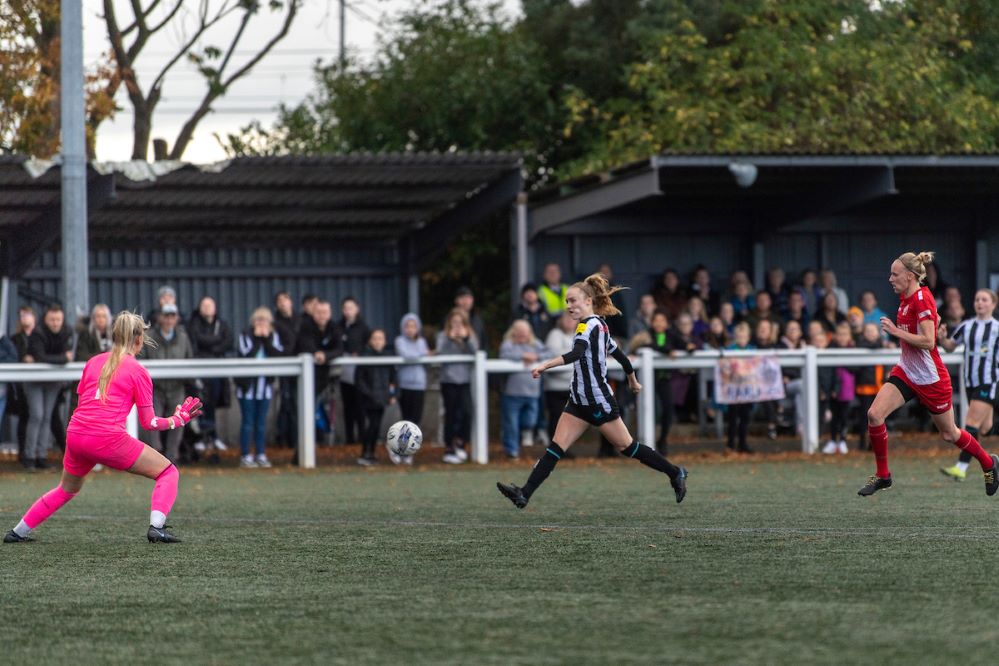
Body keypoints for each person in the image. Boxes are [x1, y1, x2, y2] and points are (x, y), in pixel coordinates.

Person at [3, 312, 202, 544]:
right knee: (168, 472)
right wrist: (178, 419)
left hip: (76, 434)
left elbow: (81, 404)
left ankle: (17, 532)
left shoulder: (92, 362)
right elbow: (149, 423)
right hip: (106, 438)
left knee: (66, 489)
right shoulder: (138, 371)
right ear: (138, 340)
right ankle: (157, 528)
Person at [497, 273, 687, 509]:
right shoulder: (601, 325)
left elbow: (576, 354)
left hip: (598, 401)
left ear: (588, 300)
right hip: (578, 401)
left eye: (573, 300)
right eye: (566, 302)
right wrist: (632, 380)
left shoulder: (588, 326)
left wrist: (545, 364)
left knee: (627, 447)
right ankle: (524, 493)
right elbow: (622, 357)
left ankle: (675, 472)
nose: (568, 306)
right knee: (555, 448)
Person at [859, 251, 999, 497]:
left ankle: (989, 464)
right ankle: (883, 475)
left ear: (911, 276)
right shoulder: (906, 296)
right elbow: (931, 321)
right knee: (874, 415)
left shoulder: (921, 298)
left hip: (931, 379)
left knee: (950, 433)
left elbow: (927, 341)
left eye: (895, 274)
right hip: (906, 372)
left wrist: (896, 332)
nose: (890, 279)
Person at [939, 288, 999, 481]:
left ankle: (961, 467)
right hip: (970, 382)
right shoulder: (967, 326)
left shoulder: (997, 328)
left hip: (988, 380)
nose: (980, 303)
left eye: (984, 300)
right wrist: (941, 338)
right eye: (977, 299)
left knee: (970, 423)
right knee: (985, 429)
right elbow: (950, 347)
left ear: (993, 304)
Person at [139, 303, 193, 464]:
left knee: (178, 422)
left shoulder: (183, 337)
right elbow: (141, 360)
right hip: (155, 388)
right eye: (166, 316)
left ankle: (171, 458)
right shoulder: (149, 336)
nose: (169, 320)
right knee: (151, 421)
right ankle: (154, 457)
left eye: (172, 316)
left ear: (176, 318)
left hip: (177, 387)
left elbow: (189, 360)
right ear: (160, 317)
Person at [24, 304, 72, 469]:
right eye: (52, 319)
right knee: (37, 415)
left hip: (53, 381)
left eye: (58, 319)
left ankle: (41, 456)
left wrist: (57, 359)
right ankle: (29, 456)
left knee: (46, 417)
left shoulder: (66, 331)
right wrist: (61, 358)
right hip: (34, 380)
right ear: (46, 319)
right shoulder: (38, 333)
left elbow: (66, 357)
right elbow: (40, 357)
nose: (55, 323)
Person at [235, 308, 283, 469]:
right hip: (246, 388)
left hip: (265, 387)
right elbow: (245, 355)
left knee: (261, 422)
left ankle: (261, 453)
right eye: (258, 320)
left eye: (265, 321)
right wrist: (257, 339)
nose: (261, 324)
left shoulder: (273, 336)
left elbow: (278, 355)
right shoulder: (245, 335)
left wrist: (266, 340)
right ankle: (245, 454)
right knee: (248, 422)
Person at [499, 320, 552, 459]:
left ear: (529, 332)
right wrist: (522, 356)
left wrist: (536, 357)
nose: (522, 334)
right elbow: (503, 355)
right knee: (511, 424)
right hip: (512, 394)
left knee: (530, 422)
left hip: (533, 393)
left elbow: (549, 354)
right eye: (519, 331)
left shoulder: (536, 344)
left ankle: (521, 435)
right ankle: (512, 451)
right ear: (513, 332)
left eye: (525, 331)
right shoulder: (509, 344)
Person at [187, 296, 233, 454]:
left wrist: (211, 345)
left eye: (210, 305)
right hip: (199, 369)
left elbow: (228, 342)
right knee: (200, 404)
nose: (207, 308)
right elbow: (196, 340)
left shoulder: (222, 324)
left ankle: (213, 436)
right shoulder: (194, 323)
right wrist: (215, 341)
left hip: (217, 370)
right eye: (204, 305)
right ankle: (201, 438)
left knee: (213, 404)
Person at [436, 308, 477, 464]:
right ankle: (449, 446)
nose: (457, 325)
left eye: (460, 323)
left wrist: (465, 339)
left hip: (465, 380)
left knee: (467, 412)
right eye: (454, 322)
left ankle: (461, 442)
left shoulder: (470, 335)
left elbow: (476, 352)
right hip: (448, 381)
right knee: (451, 414)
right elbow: (439, 354)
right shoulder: (442, 336)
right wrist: (449, 339)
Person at [355, 329, 396, 466]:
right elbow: (359, 379)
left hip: (382, 398)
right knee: (371, 425)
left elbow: (393, 378)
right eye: (375, 338)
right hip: (368, 399)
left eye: (380, 338)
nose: (378, 341)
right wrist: (369, 394)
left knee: (377, 426)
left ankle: (371, 452)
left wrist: (393, 394)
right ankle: (365, 452)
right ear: (370, 341)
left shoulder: (388, 358)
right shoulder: (365, 356)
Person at [393, 313, 428, 465]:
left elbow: (423, 358)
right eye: (407, 326)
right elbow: (406, 355)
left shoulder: (421, 341)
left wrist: (422, 355)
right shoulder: (399, 341)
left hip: (419, 385)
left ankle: (407, 450)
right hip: (405, 384)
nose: (410, 329)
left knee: (416, 419)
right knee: (406, 419)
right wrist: (421, 354)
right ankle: (399, 449)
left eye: (413, 326)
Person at [339, 296, 372, 445]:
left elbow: (369, 346)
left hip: (359, 371)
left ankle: (363, 436)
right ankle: (349, 437)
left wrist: (359, 352)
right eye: (345, 308)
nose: (348, 311)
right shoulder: (339, 326)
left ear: (357, 309)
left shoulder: (363, 327)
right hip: (344, 371)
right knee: (347, 406)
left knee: (360, 405)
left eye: (350, 308)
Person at [823, 322, 856, 454]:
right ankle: (832, 440)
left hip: (847, 388)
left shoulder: (853, 350)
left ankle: (842, 440)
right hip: (833, 388)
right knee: (834, 416)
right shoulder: (831, 349)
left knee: (844, 416)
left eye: (845, 334)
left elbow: (856, 368)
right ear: (835, 336)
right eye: (840, 334)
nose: (842, 337)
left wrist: (845, 363)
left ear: (849, 336)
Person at [543, 312, 575, 447]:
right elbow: (554, 356)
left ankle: (565, 448)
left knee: (572, 421)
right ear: (560, 321)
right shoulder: (554, 334)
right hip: (555, 388)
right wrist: (575, 355)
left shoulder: (580, 334)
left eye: (572, 318)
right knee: (557, 419)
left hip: (574, 387)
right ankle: (555, 449)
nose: (569, 320)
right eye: (565, 318)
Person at [272, 291, 299, 449]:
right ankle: (284, 438)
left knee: (297, 404)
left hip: (300, 369)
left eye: (285, 300)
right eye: (279, 301)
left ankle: (296, 438)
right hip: (285, 368)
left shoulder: (300, 320)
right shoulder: (275, 323)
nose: (283, 303)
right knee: (286, 403)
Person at [10, 306, 37, 466]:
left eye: (28, 315)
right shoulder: (15, 338)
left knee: (43, 416)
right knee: (24, 417)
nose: (25, 318)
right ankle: (23, 453)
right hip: (22, 385)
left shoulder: (40, 336)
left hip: (38, 383)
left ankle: (36, 453)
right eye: (22, 315)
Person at [854, 322, 886, 451]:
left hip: (880, 387)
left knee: (880, 418)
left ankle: (875, 444)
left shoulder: (883, 348)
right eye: (868, 331)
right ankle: (863, 442)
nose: (871, 334)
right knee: (864, 418)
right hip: (865, 388)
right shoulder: (861, 346)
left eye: (873, 331)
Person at [725, 322, 755, 453]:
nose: (741, 339)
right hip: (734, 390)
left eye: (744, 337)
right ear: (735, 337)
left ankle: (743, 444)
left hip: (747, 390)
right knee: (732, 418)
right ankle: (730, 444)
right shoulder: (730, 350)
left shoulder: (753, 350)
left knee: (745, 417)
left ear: (748, 337)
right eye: (739, 337)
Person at [453, 286, 489, 351]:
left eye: (468, 297)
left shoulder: (478, 320)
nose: (465, 301)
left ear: (473, 300)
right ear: (456, 300)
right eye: (462, 297)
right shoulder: (448, 320)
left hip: (476, 358)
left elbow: (484, 343)